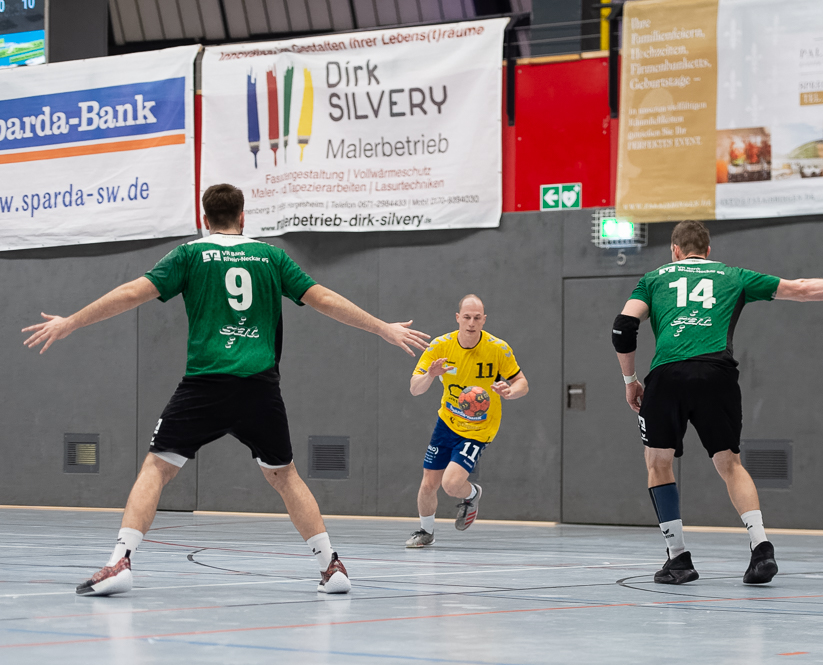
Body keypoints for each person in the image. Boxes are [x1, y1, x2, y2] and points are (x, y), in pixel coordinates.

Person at [22, 184, 430, 597]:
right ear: (242, 217)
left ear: (205, 219)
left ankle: (120, 562)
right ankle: (331, 565)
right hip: (260, 387)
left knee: (157, 468)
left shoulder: (189, 254)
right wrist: (383, 328)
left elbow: (132, 293)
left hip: (206, 384)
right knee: (286, 476)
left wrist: (71, 321)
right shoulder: (271, 256)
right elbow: (322, 298)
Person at [612, 220, 823, 585]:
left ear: (675, 250)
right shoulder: (734, 276)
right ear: (708, 251)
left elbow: (624, 327)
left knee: (658, 463)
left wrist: (630, 381)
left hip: (667, 376)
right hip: (717, 374)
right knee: (730, 463)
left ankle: (678, 558)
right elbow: (800, 289)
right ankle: (761, 547)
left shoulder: (654, 279)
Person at [405, 295, 528, 547]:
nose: (471, 323)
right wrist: (430, 375)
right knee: (429, 483)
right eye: (467, 317)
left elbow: (522, 383)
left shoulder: (498, 348)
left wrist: (510, 391)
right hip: (447, 423)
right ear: (457, 318)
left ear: (484, 320)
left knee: (451, 485)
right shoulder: (440, 346)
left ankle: (472, 494)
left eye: (477, 318)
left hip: (479, 428)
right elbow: (415, 389)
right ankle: (426, 532)